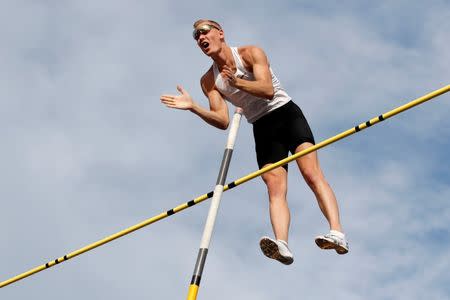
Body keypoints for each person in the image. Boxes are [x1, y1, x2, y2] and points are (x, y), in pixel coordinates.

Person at [160, 19, 349, 265]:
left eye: (204, 32)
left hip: (286, 114)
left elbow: (267, 89)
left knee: (311, 174)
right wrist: (194, 107)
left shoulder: (250, 53)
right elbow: (221, 120)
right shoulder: (208, 81)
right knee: (274, 188)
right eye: (196, 36)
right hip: (262, 126)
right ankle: (282, 244)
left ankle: (337, 233)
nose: (200, 38)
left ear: (220, 33)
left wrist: (237, 83)